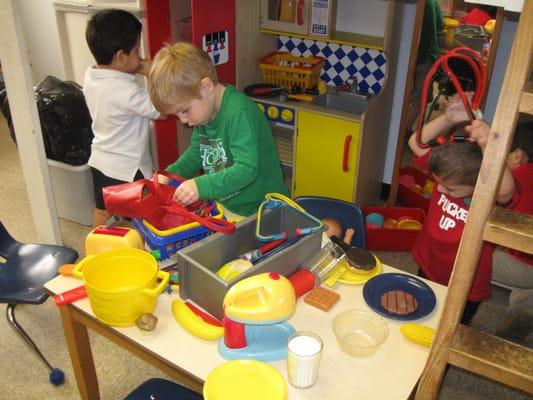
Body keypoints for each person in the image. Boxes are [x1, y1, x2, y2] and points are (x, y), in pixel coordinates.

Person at [407, 93, 516, 325]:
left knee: (448, 329)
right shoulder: (450, 172)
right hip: (429, 262)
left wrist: (489, 145)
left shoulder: (486, 193)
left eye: (450, 189)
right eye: (440, 184)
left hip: (465, 281)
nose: (441, 191)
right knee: (417, 313)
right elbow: (414, 144)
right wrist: (448, 118)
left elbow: (506, 191)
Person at [148, 42, 288, 219]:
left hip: (263, 209)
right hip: (229, 206)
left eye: (184, 110)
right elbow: (197, 151)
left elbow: (246, 169)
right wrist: (170, 174)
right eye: (176, 115)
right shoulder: (204, 114)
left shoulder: (238, 112)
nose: (183, 121)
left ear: (206, 87)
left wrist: (201, 186)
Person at [83, 9, 162, 227]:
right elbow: (161, 109)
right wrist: (152, 72)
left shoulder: (91, 75)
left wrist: (133, 66)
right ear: (120, 57)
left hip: (100, 161)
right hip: (128, 170)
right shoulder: (126, 92)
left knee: (103, 209)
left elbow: (119, 76)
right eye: (137, 50)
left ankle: (95, 249)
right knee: (147, 213)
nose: (140, 56)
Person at [489, 119, 533, 341]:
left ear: (517, 156)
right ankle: (523, 311)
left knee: (465, 252)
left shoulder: (515, 179)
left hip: (524, 264)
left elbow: (489, 217)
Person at [405, 0, 444, 134]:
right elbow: (440, 27)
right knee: (419, 98)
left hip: (407, 55)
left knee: (404, 94)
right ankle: (404, 129)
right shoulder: (433, 3)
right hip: (426, 55)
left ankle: (402, 129)